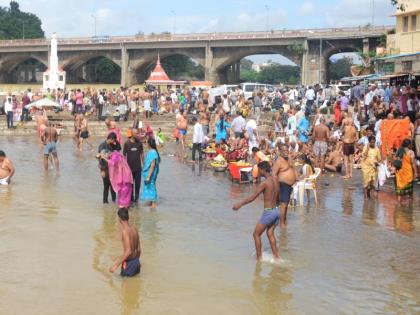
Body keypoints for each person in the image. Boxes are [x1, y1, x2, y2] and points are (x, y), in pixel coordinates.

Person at [232, 161, 280, 262]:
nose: (257, 172)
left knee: (256, 234)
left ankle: (259, 259)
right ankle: (276, 258)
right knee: (270, 233)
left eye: (258, 170)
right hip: (276, 210)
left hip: (269, 212)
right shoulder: (275, 180)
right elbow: (278, 197)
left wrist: (239, 204)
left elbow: (252, 198)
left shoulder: (264, 183)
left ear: (263, 170)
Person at [109, 208, 141, 277]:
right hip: (136, 262)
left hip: (129, 264)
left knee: (124, 286)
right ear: (128, 217)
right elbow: (139, 250)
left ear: (119, 219)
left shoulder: (125, 231)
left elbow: (128, 251)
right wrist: (136, 262)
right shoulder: (134, 229)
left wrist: (115, 265)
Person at [272, 143, 297, 228]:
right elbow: (274, 174)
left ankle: (284, 222)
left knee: (286, 205)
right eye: (284, 151)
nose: (286, 152)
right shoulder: (279, 161)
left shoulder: (289, 159)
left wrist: (296, 178)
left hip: (289, 186)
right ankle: (282, 224)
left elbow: (293, 169)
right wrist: (276, 187)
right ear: (279, 151)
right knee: (283, 205)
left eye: (287, 150)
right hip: (282, 185)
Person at [97, 133, 121, 204]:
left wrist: (116, 142)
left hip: (113, 169)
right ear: (110, 139)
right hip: (105, 168)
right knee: (106, 187)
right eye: (113, 140)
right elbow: (100, 158)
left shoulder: (114, 144)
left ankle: (114, 202)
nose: (114, 142)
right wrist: (102, 171)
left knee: (113, 187)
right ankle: (105, 203)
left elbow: (119, 150)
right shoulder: (102, 146)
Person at [123, 129, 144, 204]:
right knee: (130, 186)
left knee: (137, 186)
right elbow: (124, 156)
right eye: (136, 133)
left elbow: (142, 154)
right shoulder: (127, 143)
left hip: (138, 168)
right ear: (132, 134)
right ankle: (131, 201)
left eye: (138, 133)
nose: (138, 135)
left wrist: (143, 164)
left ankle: (137, 201)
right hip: (129, 169)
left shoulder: (139, 143)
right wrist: (124, 168)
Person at [141, 138, 160, 208]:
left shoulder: (153, 152)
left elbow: (152, 165)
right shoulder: (153, 151)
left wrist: (149, 176)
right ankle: (151, 202)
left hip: (151, 173)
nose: (146, 144)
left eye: (146, 143)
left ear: (149, 144)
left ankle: (153, 204)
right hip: (150, 173)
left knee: (151, 186)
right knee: (150, 186)